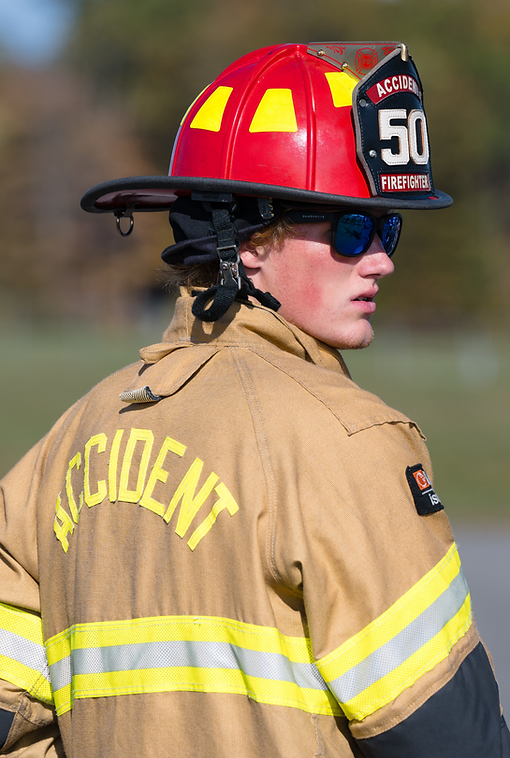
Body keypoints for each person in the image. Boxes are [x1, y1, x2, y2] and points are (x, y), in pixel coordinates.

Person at [0, 41, 508, 758]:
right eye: (351, 228)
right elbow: (452, 738)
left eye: (387, 227)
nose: (383, 259)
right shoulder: (348, 440)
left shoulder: (71, 436)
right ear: (250, 241)